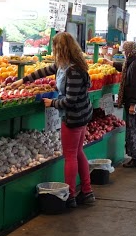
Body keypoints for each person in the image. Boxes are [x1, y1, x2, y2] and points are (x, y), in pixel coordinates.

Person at [18, 32, 94, 208]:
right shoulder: (66, 64)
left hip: (74, 117)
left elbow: (70, 100)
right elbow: (46, 70)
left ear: (61, 49)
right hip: (82, 115)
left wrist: (52, 102)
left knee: (70, 156)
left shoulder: (74, 71)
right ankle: (87, 191)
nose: (53, 51)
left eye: (55, 48)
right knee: (78, 152)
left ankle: (71, 196)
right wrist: (23, 81)